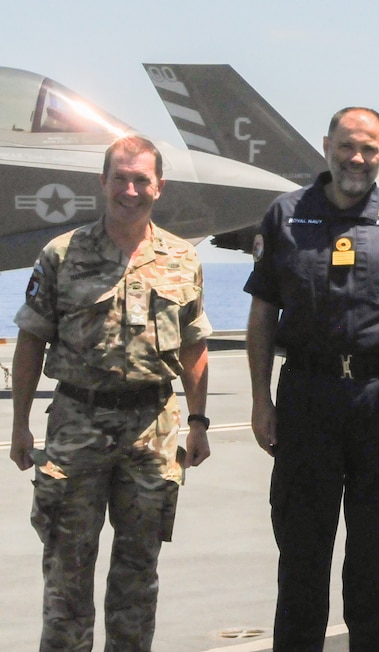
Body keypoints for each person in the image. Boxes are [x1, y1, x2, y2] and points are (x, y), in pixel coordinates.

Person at [245, 106, 379, 651]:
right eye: (347, 146)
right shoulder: (285, 216)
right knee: (303, 557)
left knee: (373, 558)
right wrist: (261, 402)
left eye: (370, 149)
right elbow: (262, 315)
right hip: (308, 398)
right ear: (327, 145)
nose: (357, 158)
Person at [9, 135, 213, 651]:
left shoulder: (182, 258)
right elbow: (31, 339)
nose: (130, 189)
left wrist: (198, 422)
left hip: (152, 431)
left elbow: (194, 347)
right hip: (78, 424)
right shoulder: (63, 253)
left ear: (159, 187)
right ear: (103, 183)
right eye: (120, 178)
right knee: (66, 573)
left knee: (137, 575)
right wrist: (20, 424)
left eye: (141, 179)